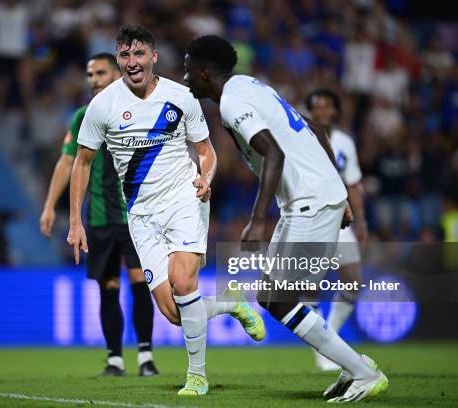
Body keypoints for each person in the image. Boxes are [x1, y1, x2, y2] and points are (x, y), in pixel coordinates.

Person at [184, 35, 388, 402]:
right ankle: (350, 365)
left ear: (203, 71)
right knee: (280, 295)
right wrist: (338, 190)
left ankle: (362, 371)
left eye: (187, 71)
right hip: (317, 197)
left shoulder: (232, 101)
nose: (185, 79)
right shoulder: (250, 84)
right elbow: (317, 129)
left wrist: (258, 218)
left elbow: (273, 153)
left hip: (307, 203)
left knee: (279, 299)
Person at [67, 25, 265, 396]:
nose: (132, 62)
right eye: (125, 55)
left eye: (139, 54)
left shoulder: (180, 96)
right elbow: (82, 162)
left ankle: (197, 376)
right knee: (174, 313)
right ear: (118, 60)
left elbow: (206, 150)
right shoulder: (103, 105)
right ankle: (229, 302)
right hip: (141, 215)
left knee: (184, 281)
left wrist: (207, 177)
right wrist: (76, 219)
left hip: (183, 200)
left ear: (153, 57)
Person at [40, 53, 158, 377]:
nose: (93, 79)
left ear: (115, 74)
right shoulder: (82, 115)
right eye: (89, 73)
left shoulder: (140, 109)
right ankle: (115, 359)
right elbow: (68, 161)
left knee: (140, 282)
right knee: (108, 286)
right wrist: (51, 204)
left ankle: (146, 357)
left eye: (100, 73)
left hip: (136, 215)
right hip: (100, 217)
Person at [306, 89, 368, 371]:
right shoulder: (299, 136)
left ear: (335, 111)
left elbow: (353, 183)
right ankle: (323, 347)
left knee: (353, 282)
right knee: (309, 285)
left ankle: (329, 332)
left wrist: (362, 221)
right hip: (309, 217)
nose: (322, 112)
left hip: (340, 216)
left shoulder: (345, 142)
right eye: (316, 107)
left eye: (327, 106)